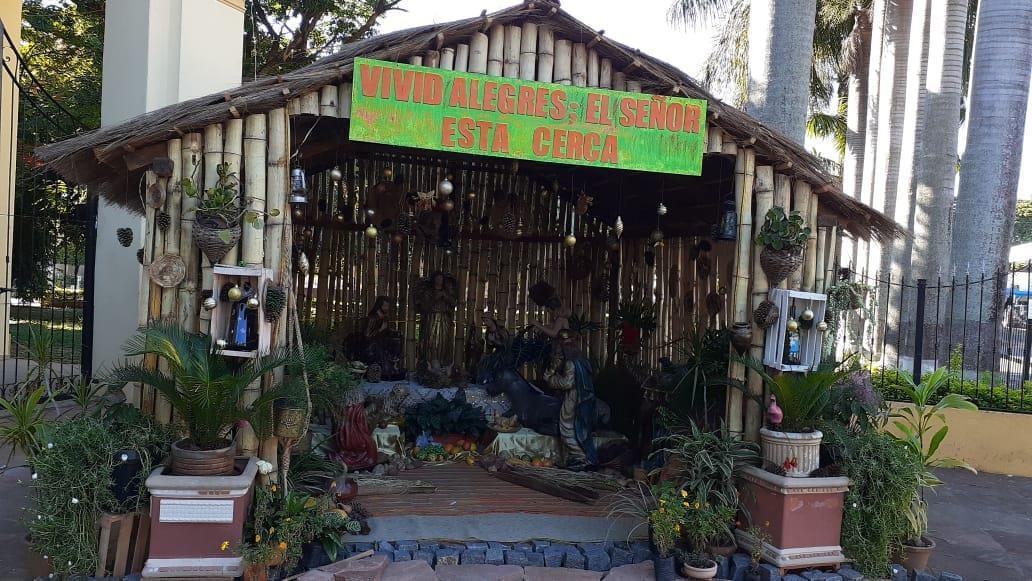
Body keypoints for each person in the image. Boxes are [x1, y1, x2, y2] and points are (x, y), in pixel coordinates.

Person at [544, 330, 598, 470]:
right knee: (578, 428)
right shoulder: (583, 361)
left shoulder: (570, 363)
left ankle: (581, 458)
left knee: (567, 428)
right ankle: (576, 457)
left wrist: (550, 379)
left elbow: (567, 383)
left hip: (574, 398)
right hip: (584, 398)